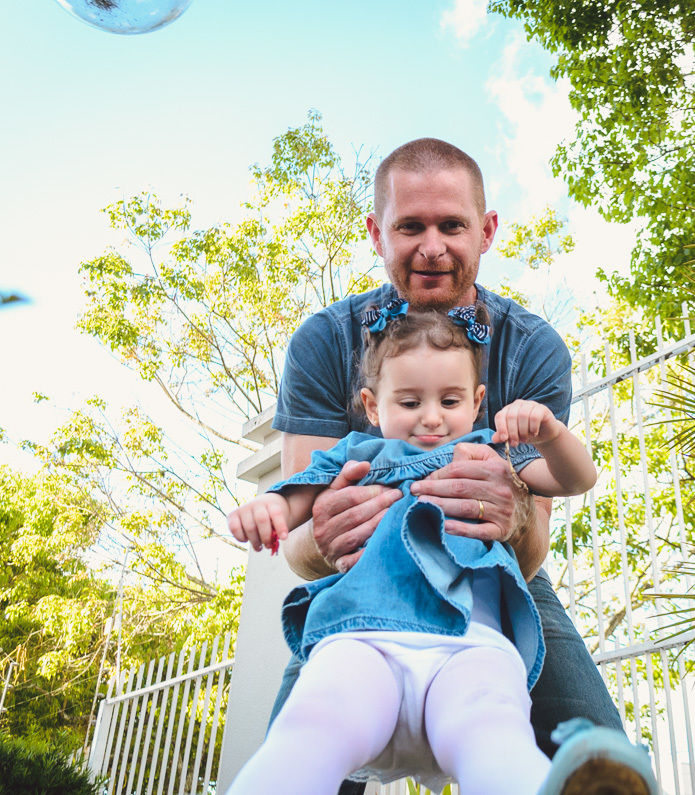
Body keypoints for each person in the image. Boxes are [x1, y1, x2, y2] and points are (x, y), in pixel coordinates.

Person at [263, 138, 647, 793]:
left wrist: (511, 512)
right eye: (410, 227)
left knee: (584, 737)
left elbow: (533, 546)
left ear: (487, 230)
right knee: (307, 733)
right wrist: (323, 535)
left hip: (485, 572)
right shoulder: (324, 342)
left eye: (451, 225)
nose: (432, 247)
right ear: (376, 233)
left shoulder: (530, 347)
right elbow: (300, 544)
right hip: (364, 582)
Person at [228, 305, 644, 793]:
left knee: (493, 729)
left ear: (477, 401)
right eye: (409, 402)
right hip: (366, 637)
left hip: (469, 639)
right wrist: (271, 508)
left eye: (450, 401)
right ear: (372, 406)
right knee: (315, 722)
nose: (431, 418)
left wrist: (551, 434)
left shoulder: (489, 451)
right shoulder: (358, 454)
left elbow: (575, 480)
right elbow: (301, 495)